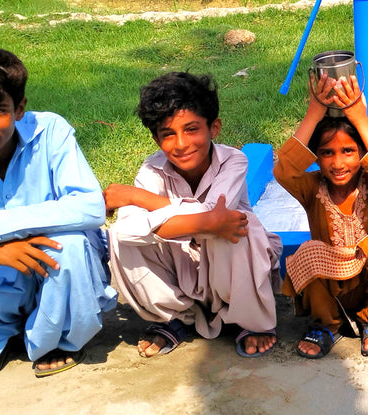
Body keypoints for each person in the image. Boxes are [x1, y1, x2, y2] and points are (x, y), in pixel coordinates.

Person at [0, 44, 116, 382]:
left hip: (55, 276)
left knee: (71, 243)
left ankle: (55, 339)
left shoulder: (50, 132)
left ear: (19, 108)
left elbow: (90, 206)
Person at [106, 72, 282, 358]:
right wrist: (203, 223)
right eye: (168, 134)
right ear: (155, 138)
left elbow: (216, 215)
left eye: (191, 129)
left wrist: (137, 198)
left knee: (237, 225)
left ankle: (249, 321)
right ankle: (174, 318)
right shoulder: (151, 170)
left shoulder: (233, 161)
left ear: (214, 128)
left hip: (230, 271)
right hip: (183, 268)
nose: (181, 144)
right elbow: (125, 230)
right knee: (120, 239)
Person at [273, 73, 368, 359]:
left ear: (362, 154)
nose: (338, 163)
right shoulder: (311, 187)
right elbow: (284, 170)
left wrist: (359, 117)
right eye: (327, 153)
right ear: (316, 157)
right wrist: (314, 112)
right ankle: (326, 325)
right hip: (328, 292)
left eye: (348, 151)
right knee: (310, 251)